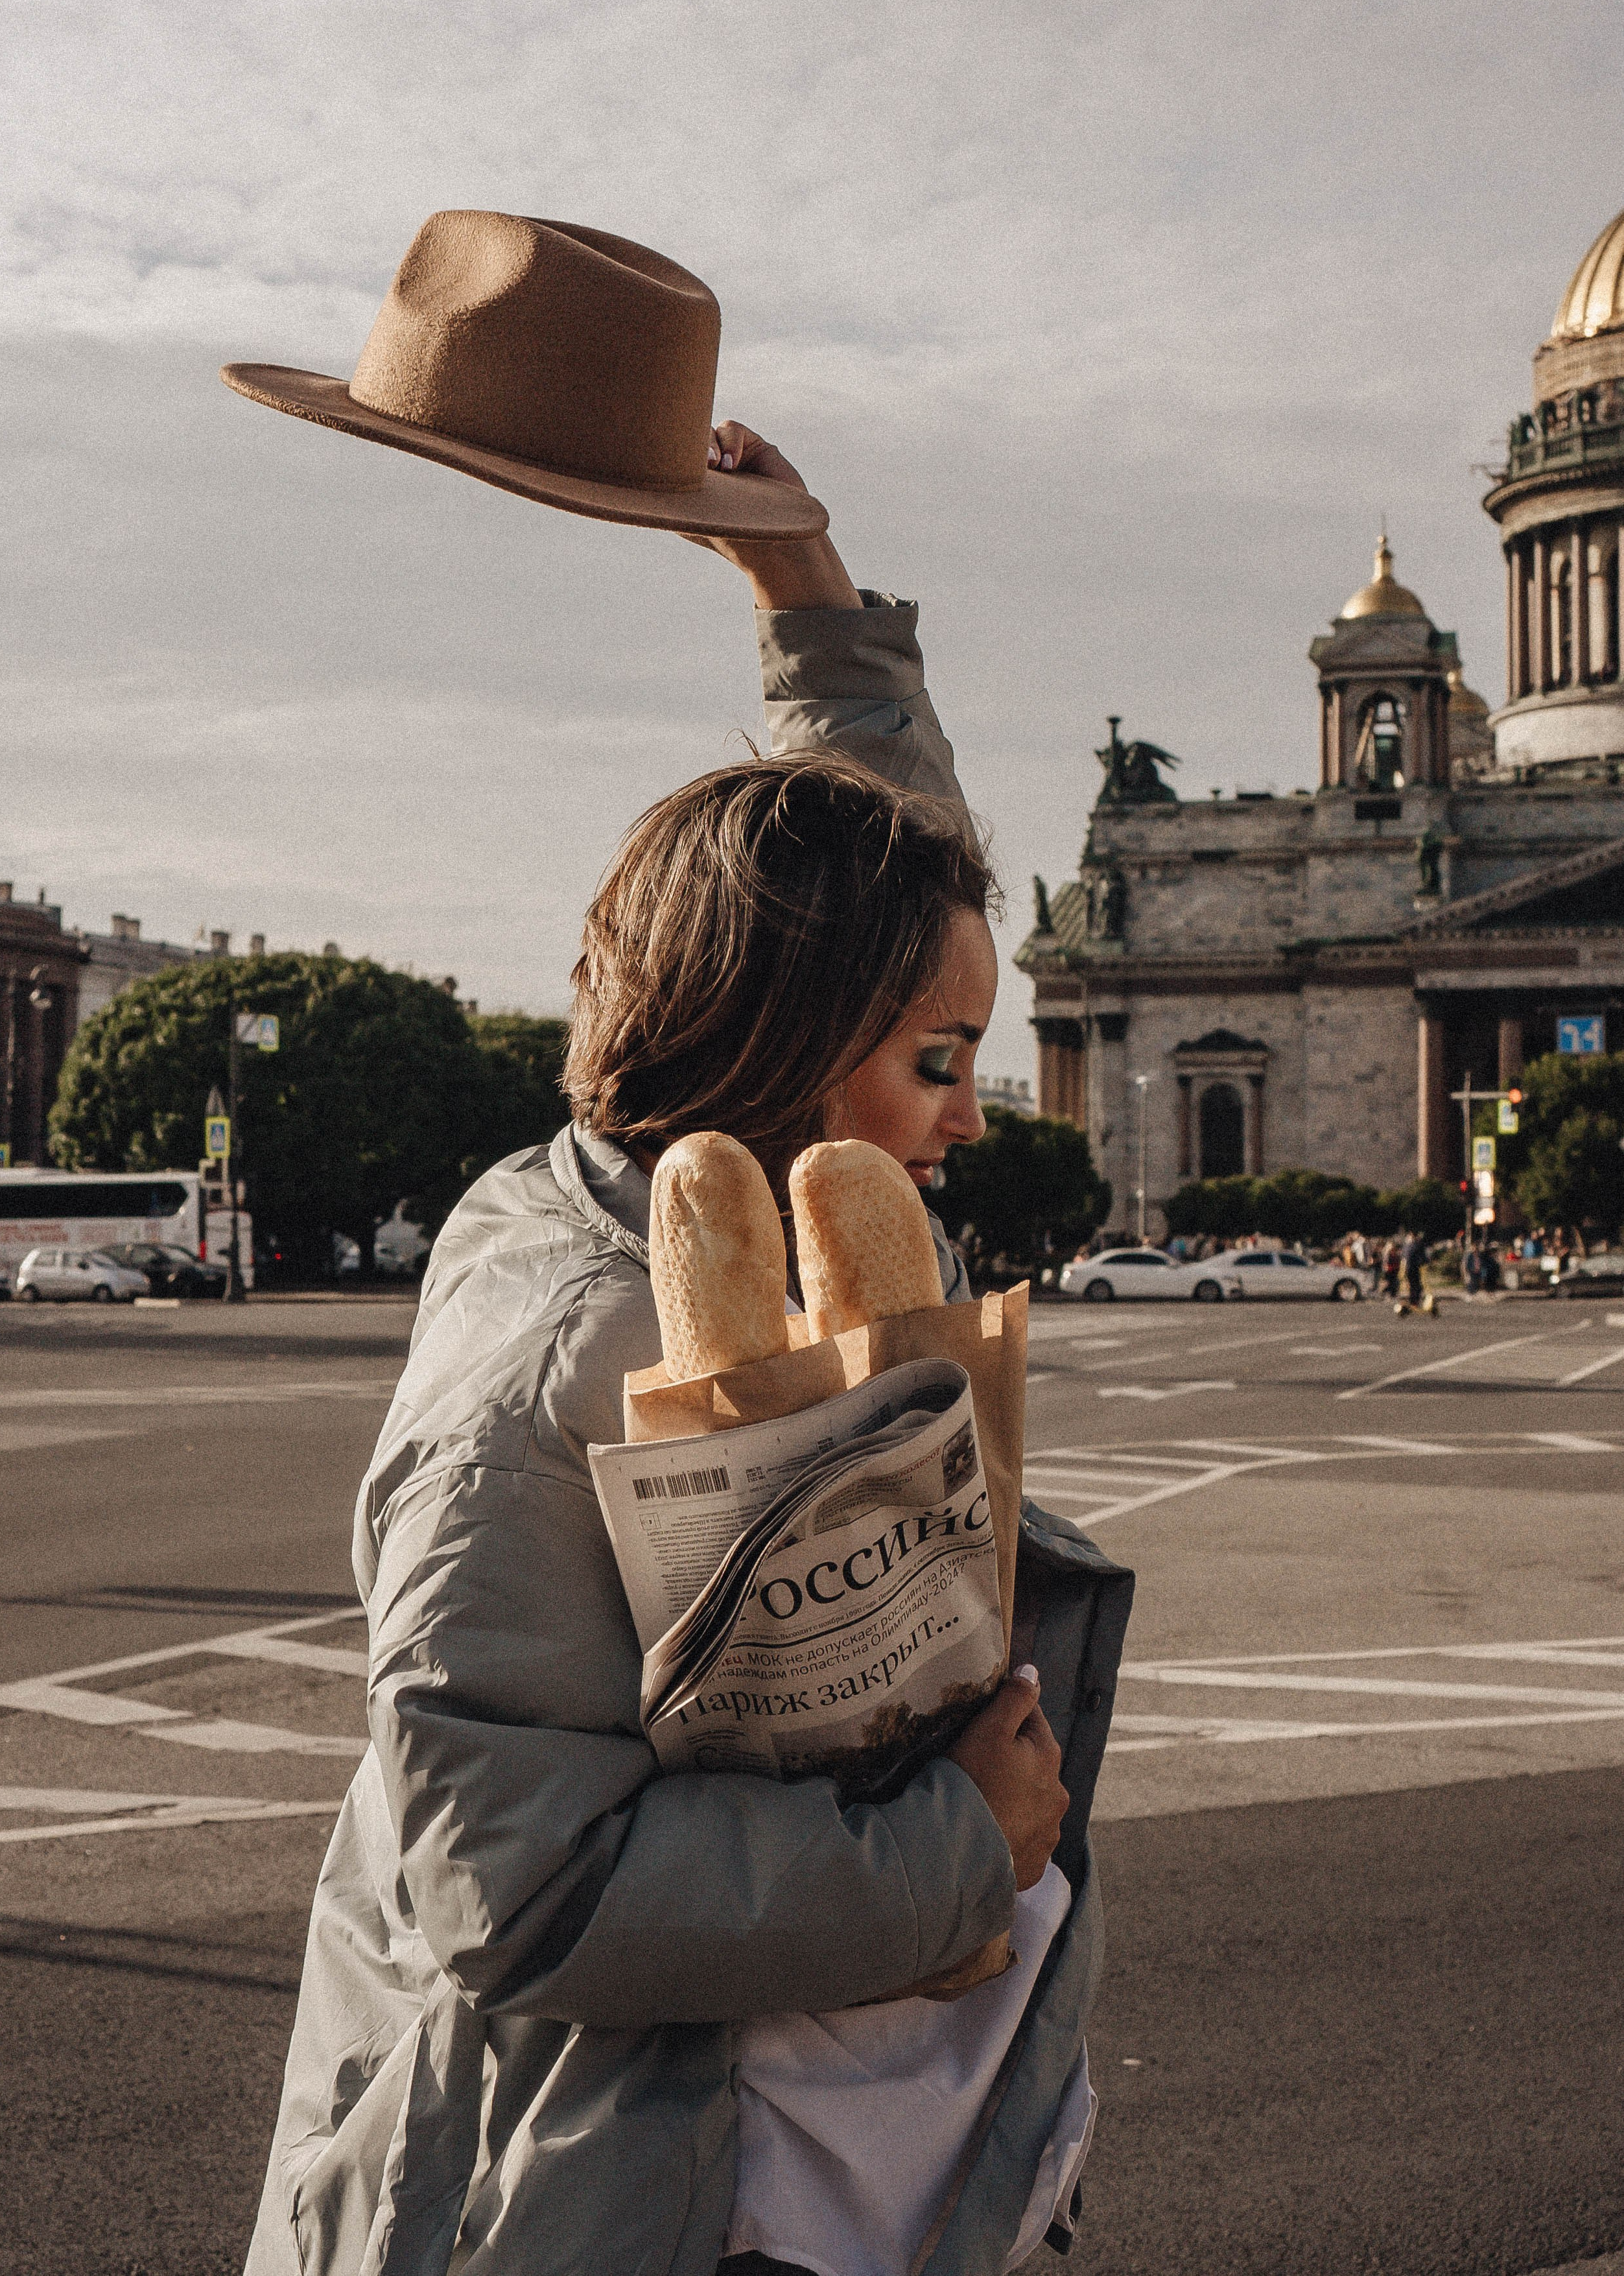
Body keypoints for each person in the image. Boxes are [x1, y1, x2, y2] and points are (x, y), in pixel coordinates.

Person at [242, 424, 1134, 2276]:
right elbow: (519, 1880)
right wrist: (969, 1847)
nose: (969, 1114)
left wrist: (803, 588)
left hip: (786, 2149)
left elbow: (873, 845)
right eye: (939, 1060)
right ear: (790, 1037)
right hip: (607, 2202)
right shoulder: (556, 1357)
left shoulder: (778, 1193)